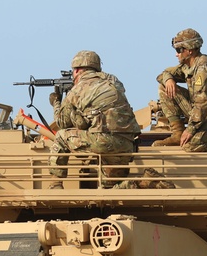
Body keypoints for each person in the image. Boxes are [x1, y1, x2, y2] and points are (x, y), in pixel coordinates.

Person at [47, 50, 140, 188]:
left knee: (61, 136)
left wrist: (56, 102)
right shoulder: (113, 82)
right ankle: (142, 183)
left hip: (102, 142)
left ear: (77, 70)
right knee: (109, 189)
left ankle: (55, 185)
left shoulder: (78, 89)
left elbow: (62, 122)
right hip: (126, 144)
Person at [153, 28, 207, 151]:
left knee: (189, 146)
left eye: (178, 50)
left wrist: (190, 130)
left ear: (190, 50)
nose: (176, 54)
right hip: (201, 112)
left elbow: (203, 103)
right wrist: (169, 80)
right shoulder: (188, 65)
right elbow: (163, 74)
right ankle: (177, 134)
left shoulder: (203, 68)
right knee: (164, 87)